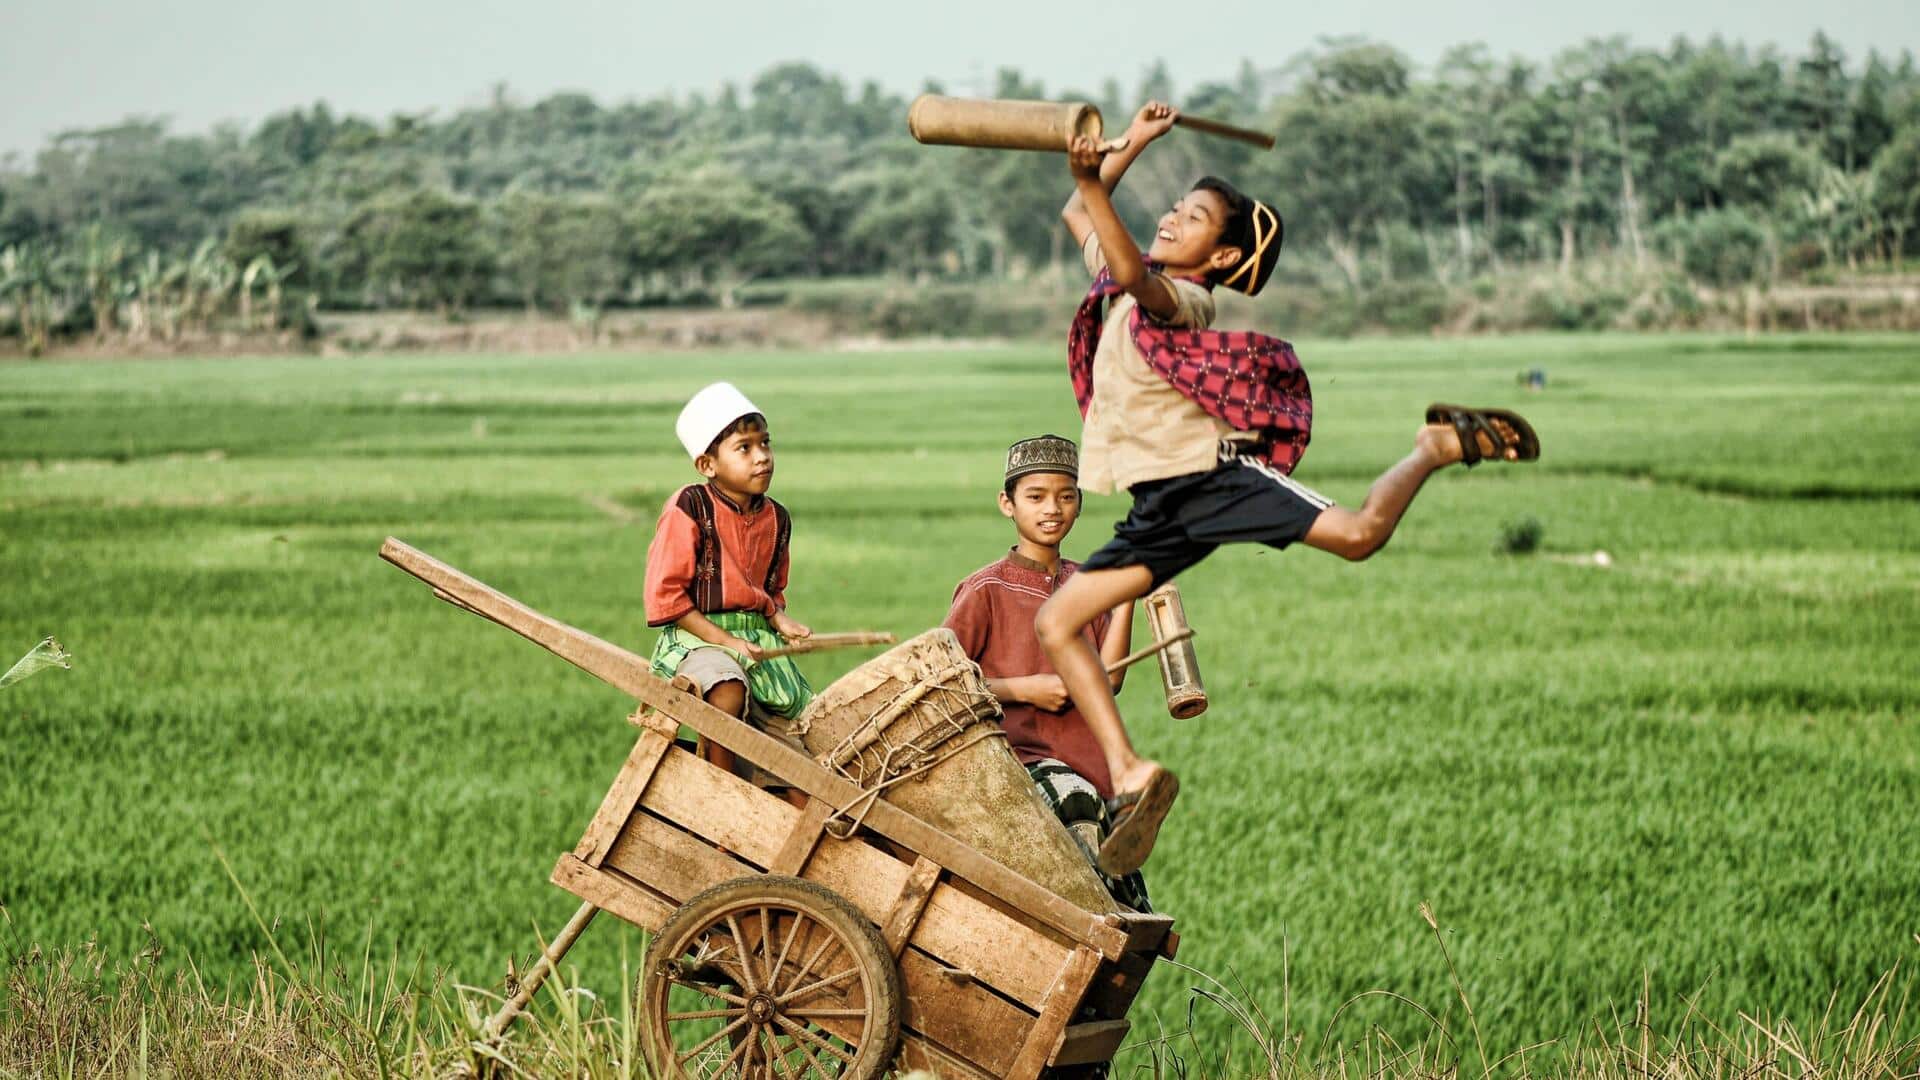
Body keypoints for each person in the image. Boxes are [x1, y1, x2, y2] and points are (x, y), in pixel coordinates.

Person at [1037, 102, 1540, 878]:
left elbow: (1132, 265)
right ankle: (1132, 773)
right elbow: (1081, 211)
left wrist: (1088, 175)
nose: (1173, 217)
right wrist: (1131, 141)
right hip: (1158, 505)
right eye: (1175, 206)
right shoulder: (1116, 277)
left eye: (1194, 216)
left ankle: (1434, 446)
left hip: (1214, 478)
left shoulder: (1183, 299)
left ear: (1223, 255)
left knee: (1359, 536)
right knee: (1057, 624)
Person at [943, 435, 1149, 910]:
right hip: (1019, 761)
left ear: (1079, 503)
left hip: (1085, 762)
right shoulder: (985, 591)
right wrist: (1025, 690)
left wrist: (1127, 599)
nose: (1052, 508)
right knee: (1077, 804)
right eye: (1035, 497)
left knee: (1130, 905)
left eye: (1066, 496)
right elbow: (945, 685)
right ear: (1007, 504)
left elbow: (1110, 678)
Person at [645, 382, 814, 776]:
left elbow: (768, 591)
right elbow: (668, 597)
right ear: (707, 465)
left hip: (755, 642)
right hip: (698, 639)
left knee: (803, 754)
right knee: (727, 689)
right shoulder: (689, 507)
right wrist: (726, 641)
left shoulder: (777, 518)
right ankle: (719, 784)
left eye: (766, 444)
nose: (762, 458)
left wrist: (777, 618)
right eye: (745, 448)